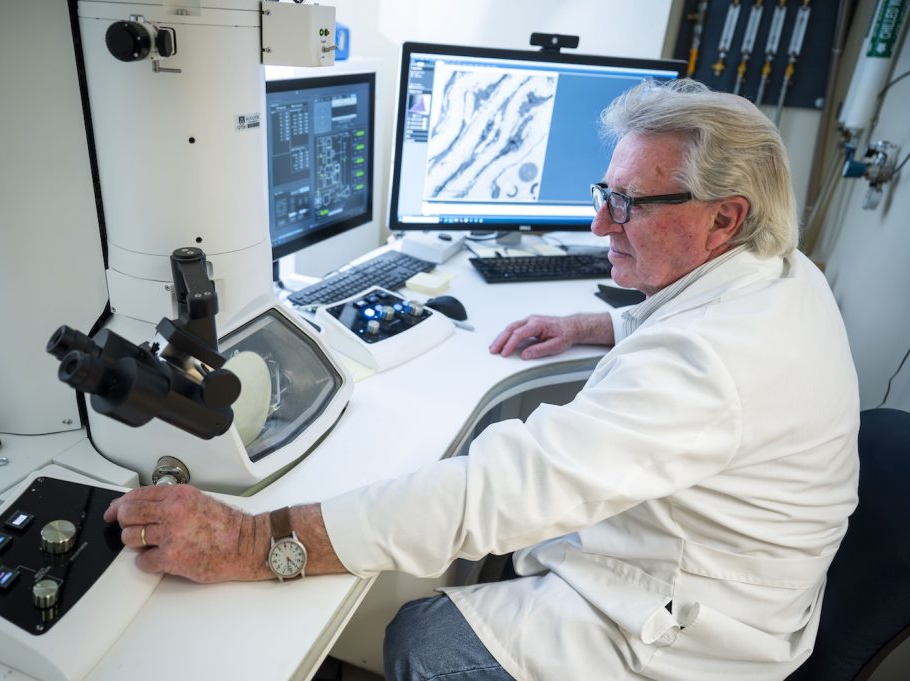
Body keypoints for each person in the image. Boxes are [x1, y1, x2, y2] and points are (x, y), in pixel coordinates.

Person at [104, 79, 860, 681]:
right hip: (745, 575)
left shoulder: (712, 362)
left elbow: (499, 489)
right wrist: (596, 325)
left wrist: (250, 539)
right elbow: (688, 336)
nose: (601, 226)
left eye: (629, 204)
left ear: (724, 218)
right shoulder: (780, 274)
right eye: (607, 193)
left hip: (696, 634)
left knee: (422, 636)